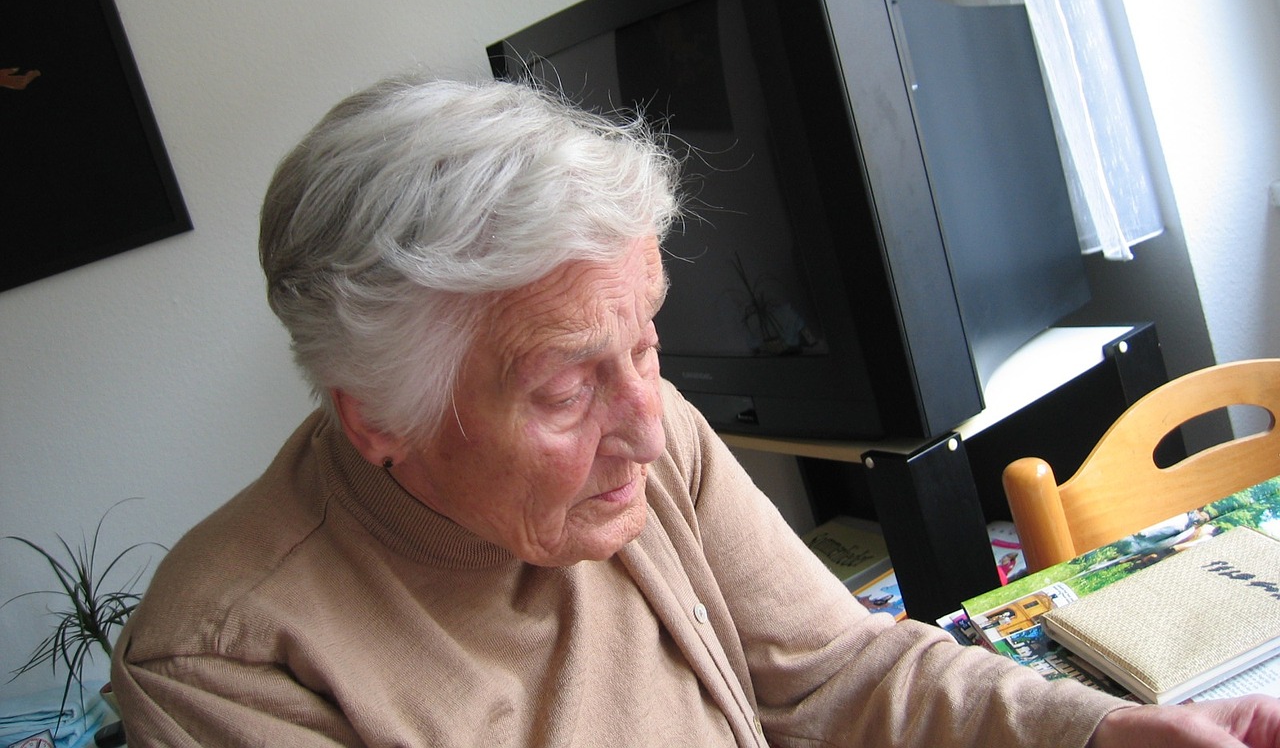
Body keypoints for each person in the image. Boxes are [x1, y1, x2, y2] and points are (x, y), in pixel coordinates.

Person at [111, 76, 1280, 747]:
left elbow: (844, 677)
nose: (644, 414)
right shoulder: (227, 664)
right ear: (376, 417)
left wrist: (1090, 737)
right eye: (567, 385)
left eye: (648, 334)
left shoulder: (649, 426)